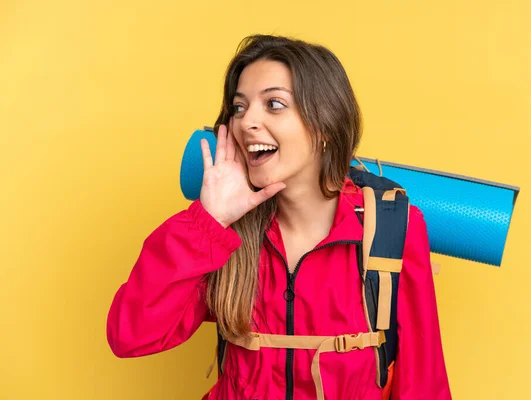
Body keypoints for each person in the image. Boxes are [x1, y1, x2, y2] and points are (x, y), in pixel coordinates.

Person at [107, 34, 451, 400]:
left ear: (324, 126)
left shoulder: (394, 228)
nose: (246, 122)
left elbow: (424, 385)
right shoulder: (220, 234)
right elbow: (131, 335)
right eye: (239, 108)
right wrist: (208, 222)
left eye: (273, 104)